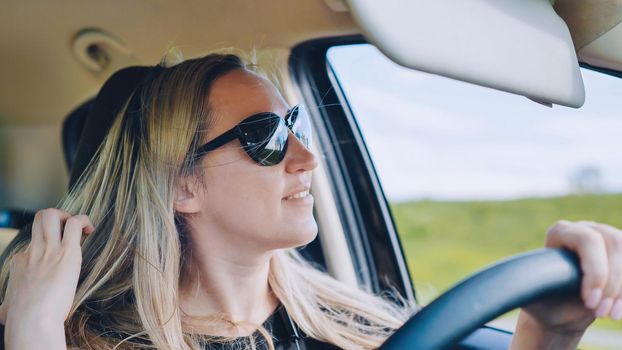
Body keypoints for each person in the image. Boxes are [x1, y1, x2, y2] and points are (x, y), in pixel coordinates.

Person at [0, 51, 619, 350]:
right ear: (179, 184)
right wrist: (31, 329)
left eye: (294, 124)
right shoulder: (91, 340)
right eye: (267, 137)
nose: (307, 157)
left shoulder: (358, 323)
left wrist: (549, 331)